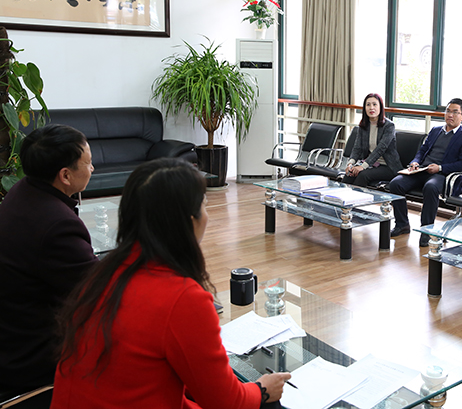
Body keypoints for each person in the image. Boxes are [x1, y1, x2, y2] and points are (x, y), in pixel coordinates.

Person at [51, 158, 291, 409]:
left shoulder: (104, 272)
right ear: (188, 221)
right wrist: (262, 390)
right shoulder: (183, 297)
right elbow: (226, 402)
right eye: (204, 205)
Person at [0, 124, 97, 395]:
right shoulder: (57, 225)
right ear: (65, 175)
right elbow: (100, 289)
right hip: (34, 356)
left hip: (11, 334)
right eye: (88, 163)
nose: (92, 169)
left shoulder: (23, 191)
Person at [389, 98, 462, 247]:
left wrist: (440, 168)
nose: (450, 115)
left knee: (431, 187)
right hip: (422, 170)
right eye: (448, 111)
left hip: (443, 175)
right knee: (395, 184)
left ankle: (426, 231)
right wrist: (415, 162)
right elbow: (422, 151)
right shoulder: (436, 130)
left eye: (455, 112)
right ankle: (402, 224)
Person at [343, 93, 402, 187]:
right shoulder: (363, 126)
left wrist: (363, 166)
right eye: (368, 105)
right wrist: (350, 164)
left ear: (380, 107)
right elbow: (357, 148)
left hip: (388, 166)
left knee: (363, 175)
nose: (371, 108)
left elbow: (380, 149)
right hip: (371, 164)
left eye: (375, 104)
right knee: (349, 175)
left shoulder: (389, 126)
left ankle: (358, 197)